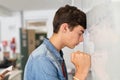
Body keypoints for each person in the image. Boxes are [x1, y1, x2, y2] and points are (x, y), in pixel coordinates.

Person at [24, 5, 91, 80]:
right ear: (65, 28)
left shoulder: (56, 54)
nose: (82, 39)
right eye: (80, 33)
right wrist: (81, 73)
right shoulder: (42, 59)